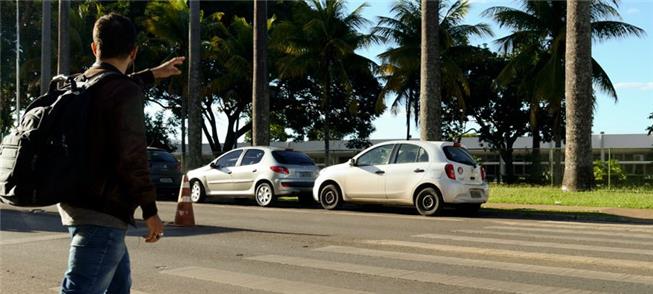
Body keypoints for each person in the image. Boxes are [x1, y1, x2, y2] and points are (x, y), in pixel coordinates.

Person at [58, 13, 184, 294]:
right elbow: (133, 158)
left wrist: (152, 73)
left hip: (75, 202)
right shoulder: (123, 92)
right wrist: (150, 211)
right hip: (103, 213)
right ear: (133, 51)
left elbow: (110, 85)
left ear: (94, 48)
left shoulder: (77, 83)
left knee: (119, 287)